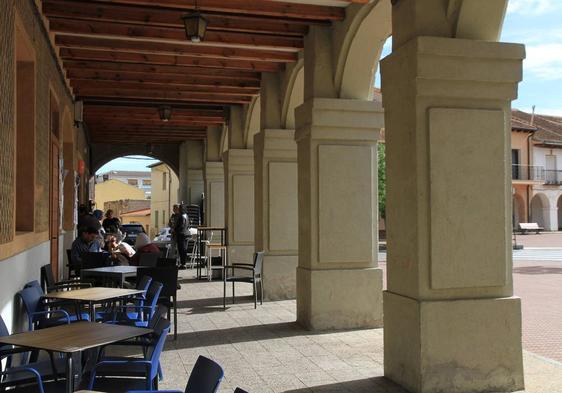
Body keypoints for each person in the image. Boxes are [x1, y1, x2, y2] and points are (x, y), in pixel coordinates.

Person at [174, 204, 190, 269]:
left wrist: (175, 230)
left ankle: (183, 264)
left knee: (181, 250)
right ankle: (184, 263)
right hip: (186, 234)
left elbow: (181, 226)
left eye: (180, 208)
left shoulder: (181, 217)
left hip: (181, 235)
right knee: (184, 249)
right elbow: (188, 225)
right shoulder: (186, 216)